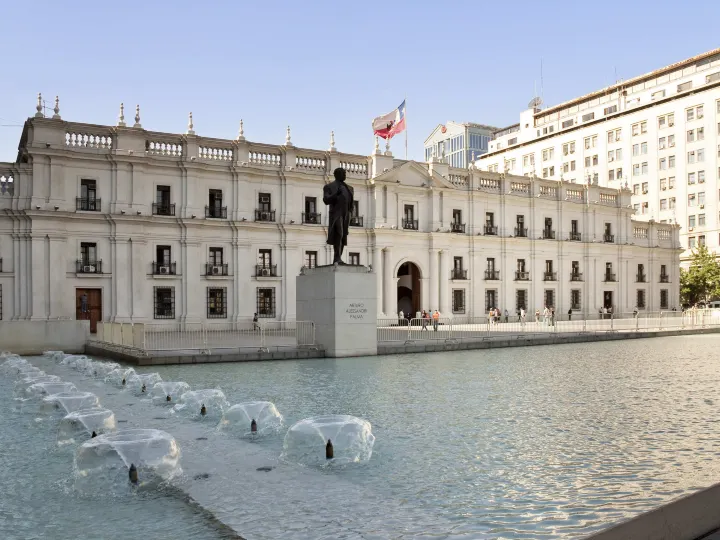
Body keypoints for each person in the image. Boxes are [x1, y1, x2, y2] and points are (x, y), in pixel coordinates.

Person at [323, 167, 354, 265]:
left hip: (346, 214)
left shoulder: (350, 188)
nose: (345, 175)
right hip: (336, 213)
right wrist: (336, 194)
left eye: (345, 173)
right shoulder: (329, 186)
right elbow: (326, 200)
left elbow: (351, 203)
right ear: (337, 175)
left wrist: (351, 214)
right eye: (343, 173)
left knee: (343, 236)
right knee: (338, 233)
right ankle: (337, 258)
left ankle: (338, 258)